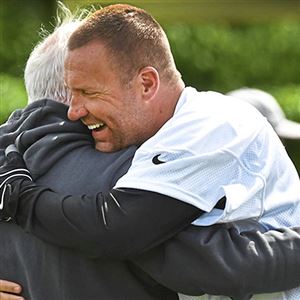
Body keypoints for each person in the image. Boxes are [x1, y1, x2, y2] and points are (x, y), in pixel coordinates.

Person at [2, 3, 300, 300]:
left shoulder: (212, 124)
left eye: (90, 92)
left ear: (146, 83)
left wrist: (20, 198)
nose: (76, 112)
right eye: (76, 93)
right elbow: (209, 262)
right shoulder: (113, 165)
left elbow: (118, 230)